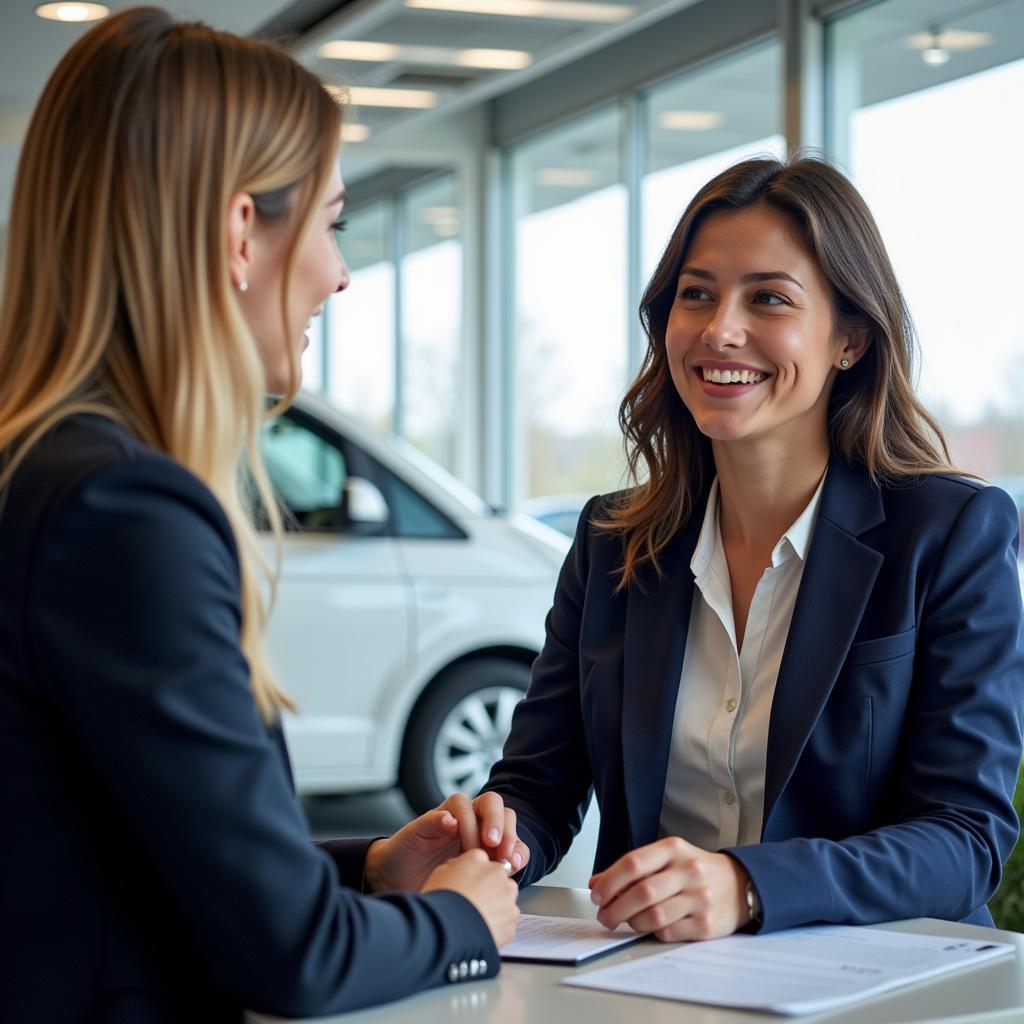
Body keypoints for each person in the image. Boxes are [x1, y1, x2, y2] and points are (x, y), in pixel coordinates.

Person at [0, 8, 519, 1022]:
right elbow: (294, 960)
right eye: (329, 222)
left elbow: (116, 848)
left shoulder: (45, 465)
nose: (339, 270)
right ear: (241, 232)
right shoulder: (123, 506)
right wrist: (463, 921)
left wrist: (367, 866)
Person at [458, 155, 1024, 942]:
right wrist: (489, 845)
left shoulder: (950, 534)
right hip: (653, 979)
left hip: (872, 984)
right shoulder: (611, 543)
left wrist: (747, 886)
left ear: (850, 340)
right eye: (697, 294)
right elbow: (539, 787)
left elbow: (964, 839)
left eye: (769, 298)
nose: (721, 329)